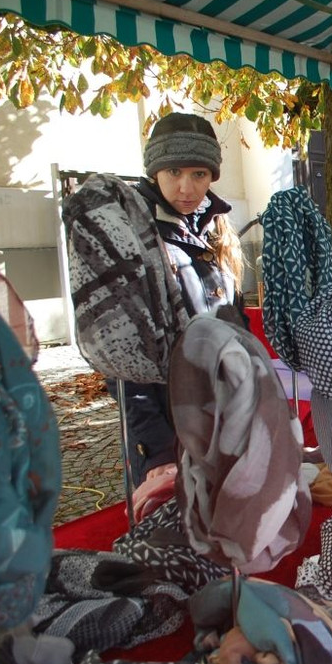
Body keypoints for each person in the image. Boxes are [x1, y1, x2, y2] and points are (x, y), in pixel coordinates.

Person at [109, 113, 245, 484]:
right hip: (168, 431)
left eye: (199, 174)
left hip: (225, 423)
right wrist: (156, 451)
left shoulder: (216, 230)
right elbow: (123, 365)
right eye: (174, 172)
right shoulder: (131, 237)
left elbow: (238, 334)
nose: (186, 187)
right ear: (155, 171)